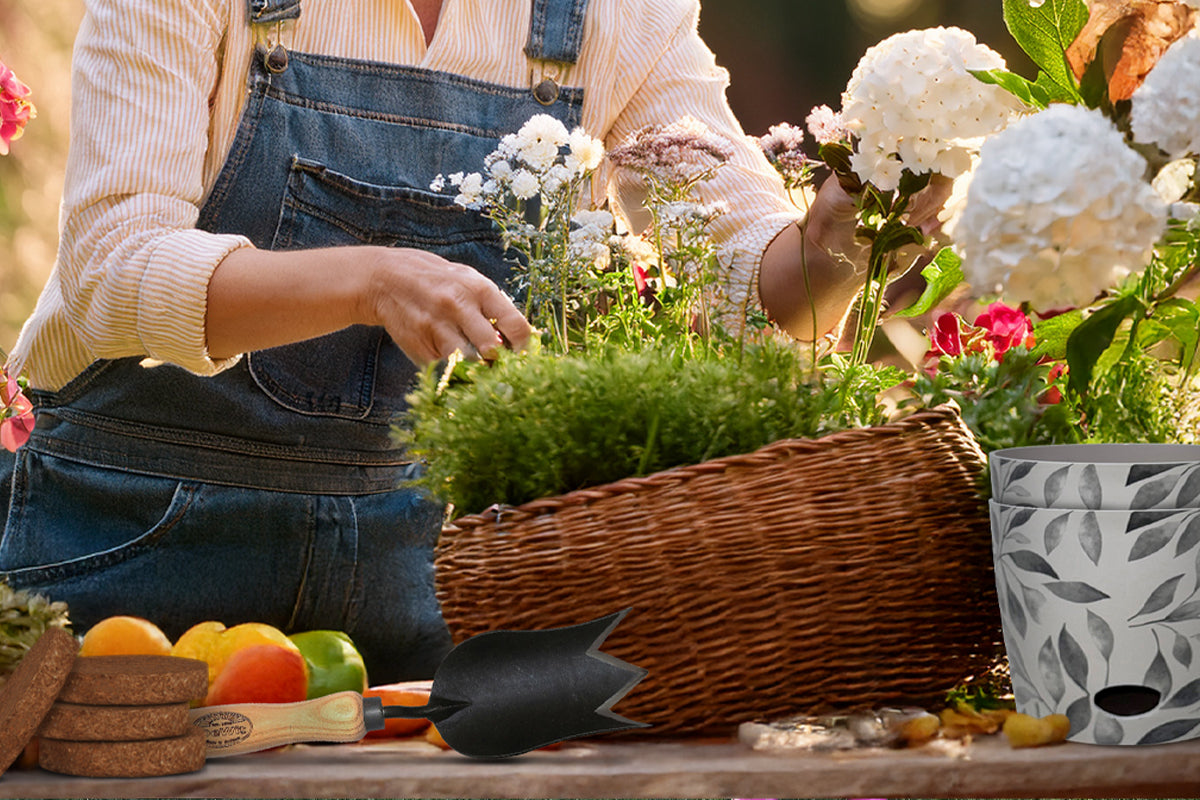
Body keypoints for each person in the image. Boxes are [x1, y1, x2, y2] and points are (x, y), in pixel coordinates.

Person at [0, 0, 873, 683]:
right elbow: (112, 270)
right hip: (129, 555)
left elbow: (752, 294)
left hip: (428, 595)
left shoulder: (614, 14)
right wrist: (373, 282)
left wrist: (848, 230)